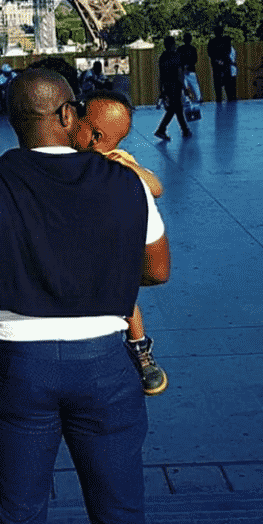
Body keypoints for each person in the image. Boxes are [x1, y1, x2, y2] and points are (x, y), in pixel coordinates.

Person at [0, 68, 169, 524]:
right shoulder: (126, 183)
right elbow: (157, 269)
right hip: (106, 367)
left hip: (20, 372)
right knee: (124, 523)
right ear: (67, 115)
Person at [71, 89, 168, 395]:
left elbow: (155, 187)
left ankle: (139, 349)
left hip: (104, 249)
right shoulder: (66, 157)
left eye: (79, 117)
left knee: (125, 297)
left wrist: (131, 169)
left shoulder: (119, 162)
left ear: (94, 135)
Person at [154, 35, 192, 140]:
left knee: (176, 108)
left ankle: (184, 130)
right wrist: (185, 88)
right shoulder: (176, 56)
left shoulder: (163, 57)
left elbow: (161, 75)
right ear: (173, 44)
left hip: (167, 86)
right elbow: (180, 73)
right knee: (175, 108)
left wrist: (161, 89)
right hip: (176, 85)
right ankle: (163, 129)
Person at [207, 25, 237, 102]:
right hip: (219, 66)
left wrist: (221, 61)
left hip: (224, 66)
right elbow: (210, 54)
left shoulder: (225, 40)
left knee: (227, 87)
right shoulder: (213, 42)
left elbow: (228, 51)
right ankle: (223, 102)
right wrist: (219, 61)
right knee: (219, 88)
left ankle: (229, 102)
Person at [177, 32, 202, 104]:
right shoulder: (192, 49)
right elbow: (195, 60)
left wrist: (184, 66)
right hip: (189, 70)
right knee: (193, 85)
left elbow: (179, 60)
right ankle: (197, 97)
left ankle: (189, 99)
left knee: (185, 85)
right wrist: (187, 65)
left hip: (186, 71)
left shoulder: (180, 49)